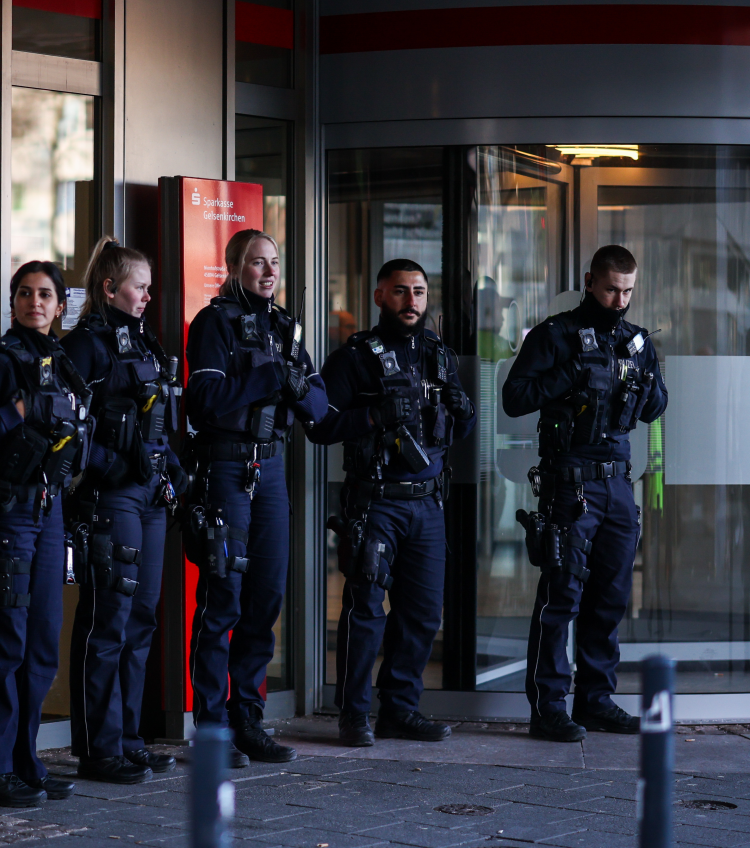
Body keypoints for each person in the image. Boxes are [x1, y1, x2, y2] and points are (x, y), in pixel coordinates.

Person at [502, 245, 667, 742]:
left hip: (618, 482)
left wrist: (646, 376)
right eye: (612, 289)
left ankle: (595, 699)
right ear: (590, 280)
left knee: (610, 596)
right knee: (562, 595)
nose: (620, 300)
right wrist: (574, 372)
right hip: (571, 482)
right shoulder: (557, 334)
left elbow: (655, 409)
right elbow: (515, 398)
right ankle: (549, 706)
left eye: (628, 291)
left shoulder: (637, 342)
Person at [309, 259, 476, 747]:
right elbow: (319, 426)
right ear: (380, 296)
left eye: (419, 292)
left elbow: (456, 432)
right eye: (400, 292)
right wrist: (372, 415)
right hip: (376, 503)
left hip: (427, 505)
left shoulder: (438, 355)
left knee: (422, 612)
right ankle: (354, 714)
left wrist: (463, 412)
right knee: (367, 611)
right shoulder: (354, 358)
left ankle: (400, 710)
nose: (412, 301)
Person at [183, 229, 327, 766]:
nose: (268, 272)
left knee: (264, 600)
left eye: (273, 262)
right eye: (256, 262)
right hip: (227, 465)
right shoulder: (214, 323)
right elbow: (205, 401)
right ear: (233, 267)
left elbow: (318, 401)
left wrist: (294, 385)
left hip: (271, 469)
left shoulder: (286, 326)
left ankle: (249, 719)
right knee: (224, 598)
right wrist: (268, 377)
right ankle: (213, 730)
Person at [0, 260, 90, 806]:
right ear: (12, 303)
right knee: (4, 645)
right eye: (26, 294)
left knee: (40, 647)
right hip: (7, 512)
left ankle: (24, 761)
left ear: (60, 306)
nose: (36, 303)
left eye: (46, 295)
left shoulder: (62, 361)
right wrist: (19, 408)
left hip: (48, 509)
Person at [60, 237, 190, 784]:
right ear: (109, 288)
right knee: (108, 619)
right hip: (111, 495)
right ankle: (98, 747)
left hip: (149, 494)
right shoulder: (85, 346)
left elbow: (159, 420)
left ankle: (129, 738)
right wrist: (110, 463)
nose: (146, 296)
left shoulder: (145, 343)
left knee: (141, 618)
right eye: (138, 286)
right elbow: (64, 425)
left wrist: (174, 472)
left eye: (149, 287)